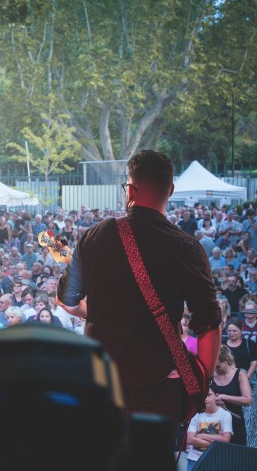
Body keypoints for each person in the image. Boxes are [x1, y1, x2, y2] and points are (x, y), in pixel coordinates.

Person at [57, 150, 219, 433]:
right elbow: (209, 324)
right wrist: (200, 386)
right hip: (158, 385)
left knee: (104, 467)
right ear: (170, 190)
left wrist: (95, 311)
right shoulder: (185, 246)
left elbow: (67, 301)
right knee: (151, 470)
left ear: (130, 190)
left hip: (101, 382)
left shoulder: (95, 236)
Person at [185, 389, 233, 471]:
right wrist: (217, 441)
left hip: (215, 460)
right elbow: (190, 440)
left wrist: (200, 435)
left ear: (216, 395)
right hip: (194, 459)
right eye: (202, 397)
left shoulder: (225, 415)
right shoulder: (196, 415)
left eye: (209, 395)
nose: (205, 399)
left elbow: (226, 440)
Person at [210, 345, 251, 447]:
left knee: (236, 456)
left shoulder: (240, 374)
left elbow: (248, 400)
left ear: (227, 360)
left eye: (218, 366)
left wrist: (224, 397)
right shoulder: (211, 375)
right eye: (214, 367)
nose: (216, 370)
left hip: (235, 421)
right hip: (214, 422)